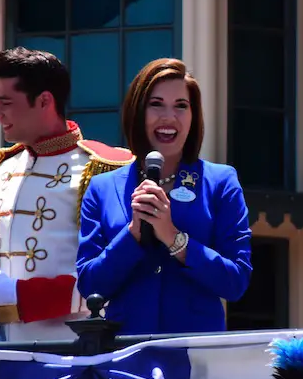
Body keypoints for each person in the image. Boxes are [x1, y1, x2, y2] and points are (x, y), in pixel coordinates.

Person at [75, 58, 253, 335]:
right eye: (156, 104)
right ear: (137, 112)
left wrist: (173, 237)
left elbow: (235, 282)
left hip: (195, 352)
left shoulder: (221, 182)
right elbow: (90, 285)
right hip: (127, 351)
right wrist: (133, 233)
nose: (169, 117)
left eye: (181, 106)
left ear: (193, 116)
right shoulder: (102, 188)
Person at [0, 47, 135, 341]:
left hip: (72, 346)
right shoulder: (1, 167)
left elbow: (119, 271)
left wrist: (21, 296)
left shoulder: (103, 168)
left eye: (5, 103)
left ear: (44, 101)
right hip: (3, 347)